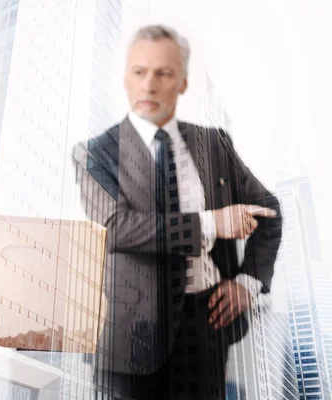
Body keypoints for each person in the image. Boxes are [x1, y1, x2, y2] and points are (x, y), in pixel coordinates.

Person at [74, 25, 282, 399]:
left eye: (163, 73)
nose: (149, 85)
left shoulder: (212, 143)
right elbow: (117, 227)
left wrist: (249, 282)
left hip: (205, 327)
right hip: (132, 339)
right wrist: (211, 223)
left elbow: (268, 210)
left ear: (182, 82)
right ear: (126, 78)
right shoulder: (95, 153)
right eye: (139, 72)